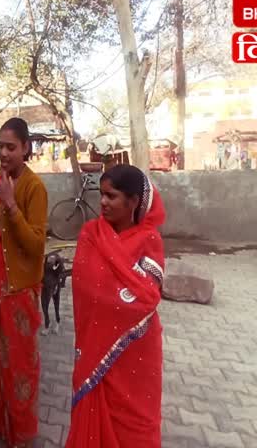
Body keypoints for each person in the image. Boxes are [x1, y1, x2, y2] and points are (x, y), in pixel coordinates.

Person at [64, 164, 165, 448]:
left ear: (133, 202)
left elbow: (147, 297)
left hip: (135, 350)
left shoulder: (150, 240)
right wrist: (118, 294)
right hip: (95, 346)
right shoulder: (91, 234)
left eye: (112, 196)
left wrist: (116, 295)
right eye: (102, 194)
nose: (103, 202)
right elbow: (84, 286)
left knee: (135, 424)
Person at [0, 117, 47, 447]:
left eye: (11, 147)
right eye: (0, 146)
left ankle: (21, 434)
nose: (3, 153)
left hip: (18, 292)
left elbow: (35, 245)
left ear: (26, 148)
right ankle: (1, 424)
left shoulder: (34, 188)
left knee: (19, 369)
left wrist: (11, 203)